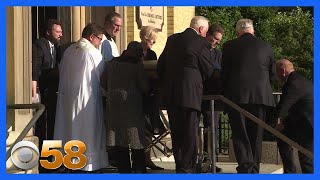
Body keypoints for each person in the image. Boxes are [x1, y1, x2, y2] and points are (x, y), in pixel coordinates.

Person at [157, 16, 214, 173]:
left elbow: (161, 66)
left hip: (171, 93)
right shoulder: (202, 42)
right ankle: (188, 168)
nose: (205, 34)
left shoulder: (172, 39)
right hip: (191, 94)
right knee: (190, 133)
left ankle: (180, 166)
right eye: (206, 31)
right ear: (201, 29)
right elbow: (208, 68)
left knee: (176, 133)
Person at [221, 19, 276, 173]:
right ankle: (255, 168)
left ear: (238, 32)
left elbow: (224, 73)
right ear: (253, 31)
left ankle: (245, 166)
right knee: (257, 135)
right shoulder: (266, 46)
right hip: (260, 97)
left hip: (236, 97)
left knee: (240, 133)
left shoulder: (229, 46)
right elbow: (272, 73)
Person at [54, 23, 108, 172]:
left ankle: (66, 160)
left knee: (67, 127)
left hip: (66, 99)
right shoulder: (93, 52)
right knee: (86, 129)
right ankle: (87, 163)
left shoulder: (69, 50)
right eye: (100, 39)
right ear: (92, 37)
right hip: (87, 100)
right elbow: (102, 77)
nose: (100, 43)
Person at [100, 41, 149, 173]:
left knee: (118, 137)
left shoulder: (112, 63)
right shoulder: (136, 65)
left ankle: (124, 169)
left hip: (114, 105)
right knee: (135, 137)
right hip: (132, 104)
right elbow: (144, 86)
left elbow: (103, 82)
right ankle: (139, 168)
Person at [32, 19, 62, 172]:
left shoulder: (56, 47)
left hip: (52, 92)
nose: (61, 34)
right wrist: (34, 90)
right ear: (48, 32)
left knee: (52, 125)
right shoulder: (39, 45)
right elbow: (35, 68)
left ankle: (51, 160)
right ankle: (43, 163)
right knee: (42, 127)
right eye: (58, 32)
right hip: (42, 92)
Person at [273, 59, 313, 173]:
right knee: (282, 136)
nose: (277, 76)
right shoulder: (300, 80)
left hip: (310, 126)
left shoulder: (293, 83)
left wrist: (267, 124)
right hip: (301, 121)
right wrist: (283, 124)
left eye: (277, 73)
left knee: (306, 159)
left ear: (283, 71)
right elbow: (296, 109)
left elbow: (282, 107)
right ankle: (290, 172)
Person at [139, 26, 165, 171]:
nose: (153, 43)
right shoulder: (135, 51)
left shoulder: (152, 54)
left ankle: (147, 158)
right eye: (152, 40)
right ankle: (140, 159)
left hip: (149, 95)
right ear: (146, 38)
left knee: (148, 128)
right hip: (137, 95)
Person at [201, 23, 224, 173]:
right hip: (197, 94)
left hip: (213, 97)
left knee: (212, 130)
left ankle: (211, 161)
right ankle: (199, 160)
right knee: (195, 130)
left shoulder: (218, 54)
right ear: (208, 35)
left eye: (219, 41)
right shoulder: (199, 50)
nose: (216, 42)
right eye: (215, 39)